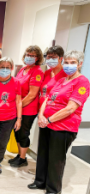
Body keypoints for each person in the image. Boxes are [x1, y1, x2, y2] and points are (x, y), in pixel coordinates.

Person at [28, 50, 90, 194]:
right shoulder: (62, 80)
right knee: (43, 154)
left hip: (63, 127)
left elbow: (70, 108)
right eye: (66, 63)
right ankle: (40, 181)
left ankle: (53, 190)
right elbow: (48, 98)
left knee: (56, 160)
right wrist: (41, 115)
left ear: (80, 64)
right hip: (47, 124)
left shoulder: (82, 81)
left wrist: (48, 119)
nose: (69, 66)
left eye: (72, 63)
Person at [10, 45, 44, 168]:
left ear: (38, 58)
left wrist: (17, 107)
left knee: (23, 133)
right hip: (18, 107)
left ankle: (23, 158)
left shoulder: (37, 72)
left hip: (28, 109)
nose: (29, 57)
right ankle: (19, 155)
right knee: (17, 132)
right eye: (28, 55)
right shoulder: (23, 69)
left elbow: (32, 95)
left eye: (33, 55)